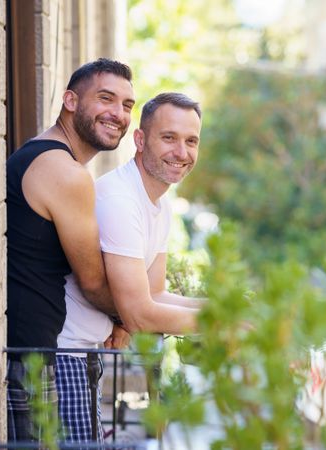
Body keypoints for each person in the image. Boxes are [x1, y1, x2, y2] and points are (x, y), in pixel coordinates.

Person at [56, 92, 205, 443]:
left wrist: (222, 309)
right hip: (65, 357)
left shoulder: (159, 204)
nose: (181, 153)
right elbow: (139, 314)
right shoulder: (120, 200)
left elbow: (154, 294)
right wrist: (221, 323)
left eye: (191, 141)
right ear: (140, 140)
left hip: (93, 356)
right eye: (169, 138)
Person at [5, 58, 134, 442]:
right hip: (31, 357)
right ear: (70, 101)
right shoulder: (65, 173)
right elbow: (92, 282)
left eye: (127, 105)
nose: (118, 113)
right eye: (106, 98)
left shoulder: (44, 155)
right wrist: (130, 316)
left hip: (32, 351)